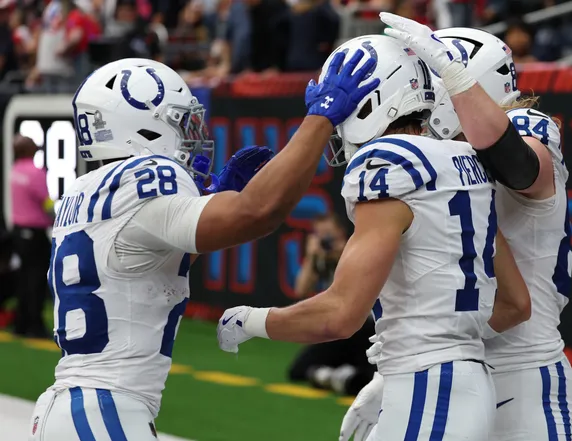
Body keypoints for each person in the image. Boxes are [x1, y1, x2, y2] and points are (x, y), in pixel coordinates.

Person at [28, 54, 378, 440]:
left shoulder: (84, 191)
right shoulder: (146, 176)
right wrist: (320, 118)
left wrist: (214, 197)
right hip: (103, 409)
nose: (192, 135)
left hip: (76, 407)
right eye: (180, 122)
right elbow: (257, 213)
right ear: (140, 127)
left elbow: (148, 263)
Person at [217, 34, 531, 441]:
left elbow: (340, 313)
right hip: (464, 381)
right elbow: (514, 303)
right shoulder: (466, 159)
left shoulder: (387, 163)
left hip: (427, 390)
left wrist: (251, 320)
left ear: (373, 100)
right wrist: (423, 347)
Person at [339, 19, 572, 441]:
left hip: (521, 371)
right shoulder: (445, 156)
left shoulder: (529, 126)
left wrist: (453, 77)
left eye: (432, 79)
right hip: (459, 367)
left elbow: (520, 167)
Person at [289, 213, 376, 396]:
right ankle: (335, 376)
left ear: (341, 234)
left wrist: (342, 254)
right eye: (321, 237)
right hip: (338, 330)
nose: (326, 242)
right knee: (298, 370)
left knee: (370, 374)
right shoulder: (322, 259)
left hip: (365, 329)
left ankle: (338, 376)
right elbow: (301, 290)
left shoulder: (357, 252)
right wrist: (312, 257)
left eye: (330, 236)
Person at [10, 134, 55, 338]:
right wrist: (58, 219)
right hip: (35, 233)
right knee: (36, 279)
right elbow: (45, 203)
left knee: (23, 277)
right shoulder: (35, 173)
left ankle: (21, 323)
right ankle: (35, 326)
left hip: (19, 231)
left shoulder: (15, 170)